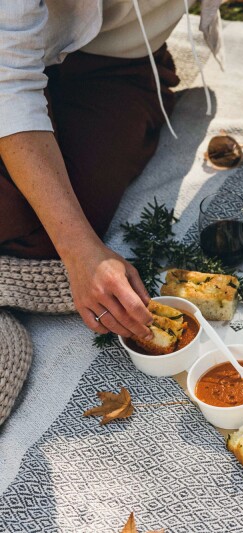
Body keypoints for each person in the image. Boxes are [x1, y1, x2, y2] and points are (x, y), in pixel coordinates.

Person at [0, 0, 222, 341]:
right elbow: (9, 82)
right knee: (47, 227)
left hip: (116, 61)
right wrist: (79, 251)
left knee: (59, 224)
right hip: (9, 61)